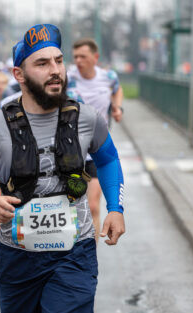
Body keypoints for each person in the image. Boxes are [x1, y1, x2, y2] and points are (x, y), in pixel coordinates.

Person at [0, 24, 126, 313]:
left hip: (75, 252)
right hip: (17, 257)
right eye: (42, 63)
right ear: (19, 74)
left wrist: (115, 208)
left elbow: (109, 160)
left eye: (59, 61)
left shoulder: (87, 118)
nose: (55, 70)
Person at [67, 37, 123, 241]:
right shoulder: (67, 77)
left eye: (83, 56)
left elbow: (117, 90)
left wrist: (118, 108)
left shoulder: (108, 76)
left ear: (95, 57)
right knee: (71, 208)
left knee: (92, 206)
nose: (78, 61)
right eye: (75, 57)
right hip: (72, 152)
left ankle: (90, 254)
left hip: (97, 150)